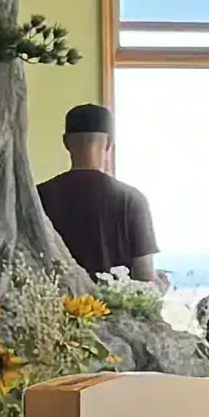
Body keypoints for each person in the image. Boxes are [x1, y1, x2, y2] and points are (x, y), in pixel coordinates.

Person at [40, 101, 157, 283]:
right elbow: (144, 276)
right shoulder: (132, 199)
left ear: (65, 142)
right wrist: (161, 283)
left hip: (54, 308)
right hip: (116, 310)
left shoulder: (39, 196)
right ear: (109, 142)